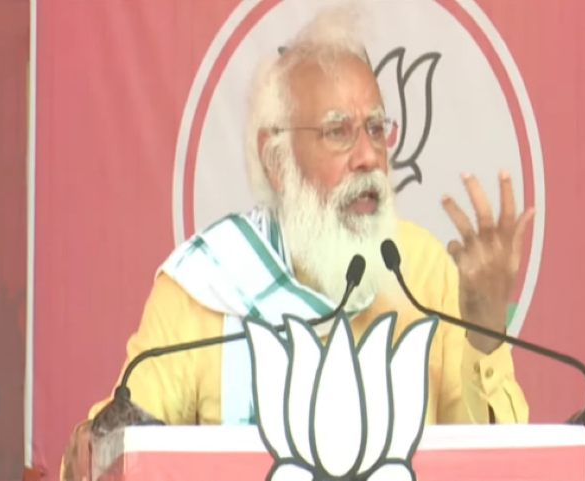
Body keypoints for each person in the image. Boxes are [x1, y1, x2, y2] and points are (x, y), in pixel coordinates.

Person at [61, 5, 535, 480]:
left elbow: (496, 465)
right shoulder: (208, 286)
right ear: (276, 159)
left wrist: (485, 333)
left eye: (375, 129)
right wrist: (94, 448)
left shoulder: (421, 270)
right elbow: (114, 447)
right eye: (338, 132)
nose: (368, 156)